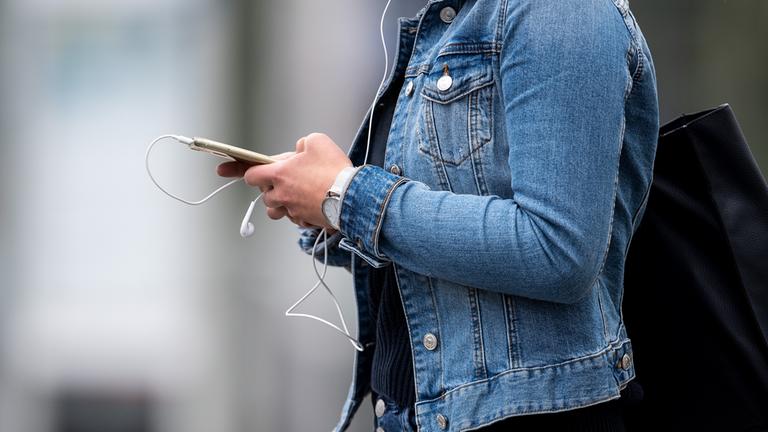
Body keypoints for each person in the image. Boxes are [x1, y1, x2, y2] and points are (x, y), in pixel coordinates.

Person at [218, 0, 659, 430]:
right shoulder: (453, 21)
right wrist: (325, 201)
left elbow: (558, 250)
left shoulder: (558, 11)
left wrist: (346, 196)